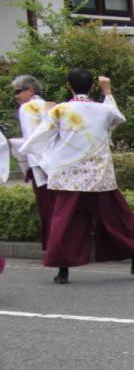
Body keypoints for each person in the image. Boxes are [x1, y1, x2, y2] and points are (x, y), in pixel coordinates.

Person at [20, 68, 134, 284]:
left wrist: (31, 146)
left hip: (68, 176)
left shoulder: (61, 110)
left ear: (68, 85)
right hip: (99, 175)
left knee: (65, 222)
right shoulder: (102, 110)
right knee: (117, 220)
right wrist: (107, 92)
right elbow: (118, 119)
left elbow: (40, 136)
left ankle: (63, 271)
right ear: (92, 87)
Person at [11, 74, 55, 249]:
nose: (16, 96)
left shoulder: (27, 108)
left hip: (39, 165)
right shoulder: (48, 106)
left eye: (18, 92)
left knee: (47, 208)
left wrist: (11, 143)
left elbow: (32, 139)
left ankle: (52, 245)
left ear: (30, 90)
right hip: (56, 163)